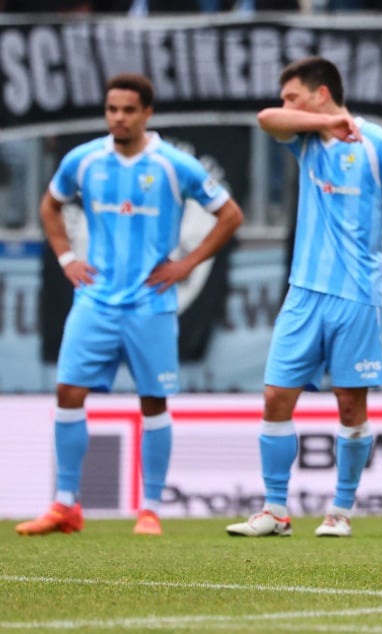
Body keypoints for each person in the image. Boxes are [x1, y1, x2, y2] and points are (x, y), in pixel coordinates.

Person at [15, 73, 244, 537]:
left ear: (147, 113)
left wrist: (187, 265)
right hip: (95, 301)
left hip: (150, 303)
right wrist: (66, 259)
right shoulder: (84, 160)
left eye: (128, 110)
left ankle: (150, 508)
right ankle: (65, 505)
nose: (118, 118)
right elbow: (49, 205)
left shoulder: (174, 164)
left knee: (153, 401)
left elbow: (230, 214)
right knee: (67, 394)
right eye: (112, 109)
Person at [226, 56, 382, 538]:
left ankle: (341, 509)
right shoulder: (308, 138)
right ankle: (274, 509)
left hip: (356, 295)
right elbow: (267, 119)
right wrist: (326, 121)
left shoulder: (381, 144)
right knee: (275, 397)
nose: (285, 104)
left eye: (294, 96)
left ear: (322, 91)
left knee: (350, 405)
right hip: (303, 293)